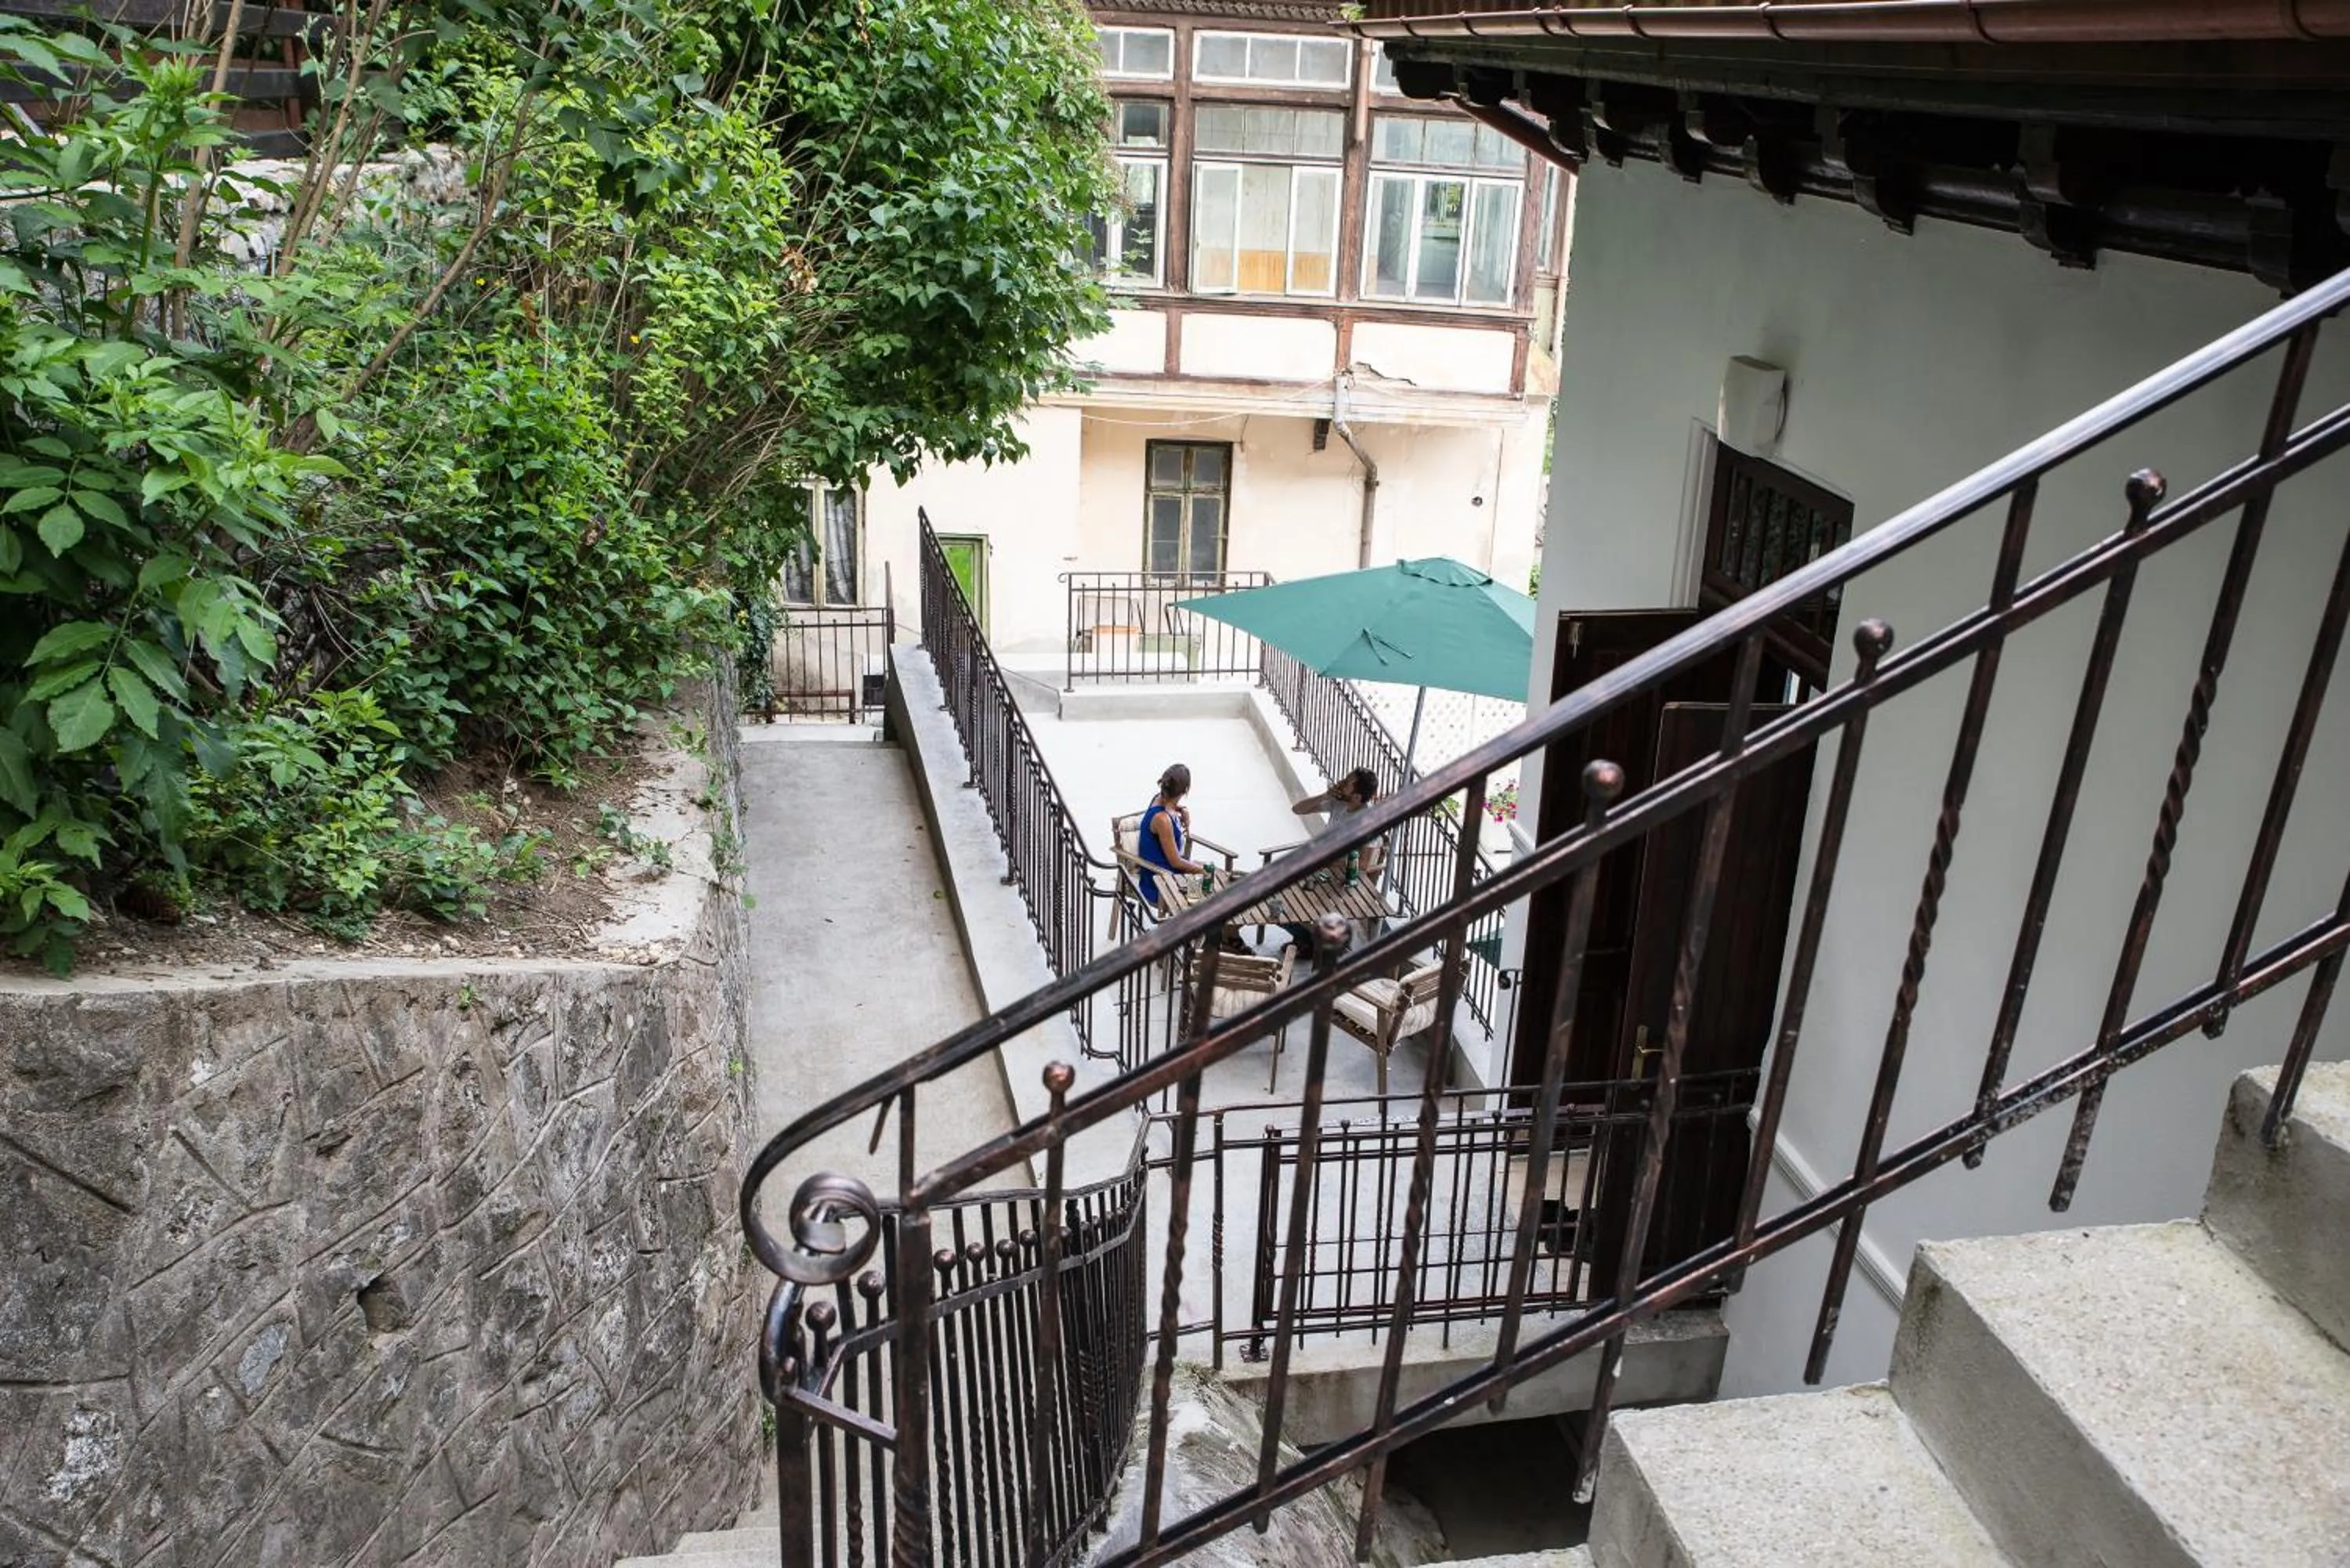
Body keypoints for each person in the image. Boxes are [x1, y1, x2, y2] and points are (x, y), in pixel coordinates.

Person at [1274, 767, 1386, 955]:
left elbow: (1364, 864)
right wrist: (1325, 795)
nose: (1341, 782)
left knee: (1287, 902)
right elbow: (1297, 809)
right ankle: (1307, 939)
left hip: (1340, 881)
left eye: (1347, 782)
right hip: (1320, 870)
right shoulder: (1339, 803)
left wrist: (1329, 862)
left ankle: (1316, 942)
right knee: (1275, 899)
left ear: (1357, 796)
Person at [1136, 764, 1207, 909]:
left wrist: (1181, 810)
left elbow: (1168, 805)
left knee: (1210, 883)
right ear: (1185, 790)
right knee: (1211, 889)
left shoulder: (1158, 798)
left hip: (1168, 874)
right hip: (1160, 883)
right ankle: (1193, 920)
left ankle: (1198, 917)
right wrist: (1202, 871)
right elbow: (1176, 862)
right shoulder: (1162, 820)